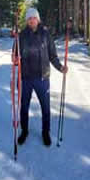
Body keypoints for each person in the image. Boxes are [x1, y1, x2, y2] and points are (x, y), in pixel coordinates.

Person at [18, 8, 68, 147]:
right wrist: (15, 59)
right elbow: (15, 54)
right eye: (29, 18)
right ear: (27, 21)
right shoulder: (21, 35)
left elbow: (52, 55)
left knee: (45, 107)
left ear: (38, 19)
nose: (31, 20)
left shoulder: (46, 35)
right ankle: (24, 131)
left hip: (42, 78)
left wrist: (60, 67)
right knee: (24, 107)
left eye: (33, 18)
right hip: (26, 78)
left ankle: (45, 132)